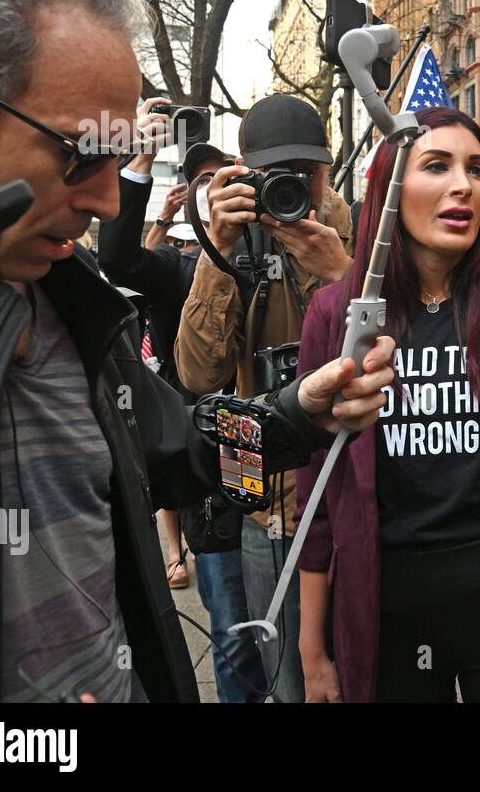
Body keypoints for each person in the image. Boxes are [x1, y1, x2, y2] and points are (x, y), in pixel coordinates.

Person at [0, 0, 396, 703]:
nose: (109, 197)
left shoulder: (75, 313)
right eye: (78, 153)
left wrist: (294, 416)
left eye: (117, 161)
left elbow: (181, 454)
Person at [294, 106, 480, 703]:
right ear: (389, 190)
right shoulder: (337, 314)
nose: (463, 185)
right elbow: (317, 499)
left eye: (478, 169)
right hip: (386, 613)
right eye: (436, 166)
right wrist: (313, 651)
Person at [174, 94, 353, 703]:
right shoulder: (235, 240)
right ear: (246, 175)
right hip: (267, 496)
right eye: (276, 175)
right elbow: (198, 374)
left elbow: (402, 355)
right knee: (283, 675)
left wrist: (337, 270)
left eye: (306, 174)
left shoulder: (355, 235)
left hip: (346, 487)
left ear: (326, 172)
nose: (293, 188)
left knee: (351, 666)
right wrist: (217, 253)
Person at [97, 135, 268, 703]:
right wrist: (140, 165)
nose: (216, 191)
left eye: (228, 179)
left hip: (284, 467)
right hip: (210, 468)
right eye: (202, 184)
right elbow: (117, 260)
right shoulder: (177, 266)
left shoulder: (274, 255)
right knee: (232, 629)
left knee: (288, 622)